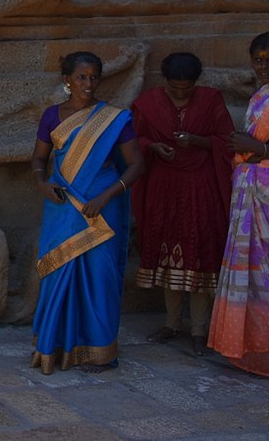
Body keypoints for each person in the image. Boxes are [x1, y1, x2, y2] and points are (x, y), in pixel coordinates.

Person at [30, 51, 144, 374]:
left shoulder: (113, 119)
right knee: (57, 274)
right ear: (67, 80)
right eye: (81, 77)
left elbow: (137, 165)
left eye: (94, 77)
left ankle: (101, 353)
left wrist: (107, 196)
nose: (88, 83)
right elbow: (39, 160)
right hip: (63, 205)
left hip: (103, 210)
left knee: (100, 278)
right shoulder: (52, 116)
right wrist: (41, 184)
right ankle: (55, 348)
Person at [131, 52, 234, 355]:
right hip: (164, 189)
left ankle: (199, 329)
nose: (181, 93)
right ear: (165, 82)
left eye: (186, 88)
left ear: (196, 83)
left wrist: (198, 140)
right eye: (175, 88)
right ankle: (172, 322)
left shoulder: (212, 101)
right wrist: (155, 146)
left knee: (200, 255)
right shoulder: (148, 103)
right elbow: (134, 140)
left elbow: (227, 140)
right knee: (169, 254)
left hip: (200, 188)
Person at [209, 32, 269, 375]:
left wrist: (255, 147)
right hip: (252, 190)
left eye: (268, 59)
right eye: (257, 59)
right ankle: (253, 347)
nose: (262, 66)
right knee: (252, 272)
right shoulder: (260, 95)